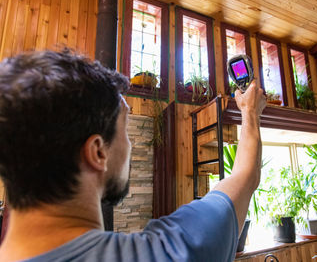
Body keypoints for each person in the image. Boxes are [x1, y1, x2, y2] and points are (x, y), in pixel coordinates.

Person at [0, 50, 266, 262]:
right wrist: (249, 111)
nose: (128, 145)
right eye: (124, 130)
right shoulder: (167, 253)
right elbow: (245, 176)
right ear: (98, 152)